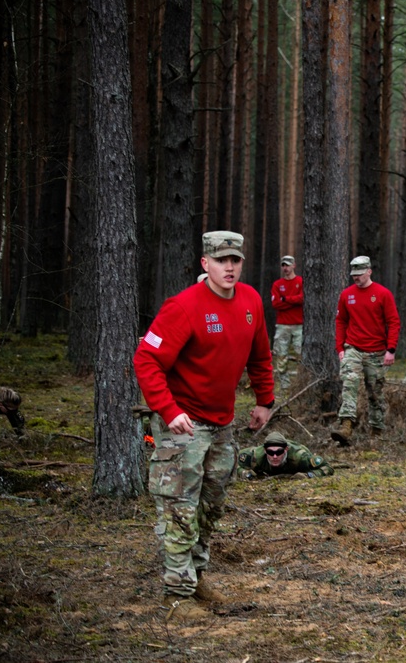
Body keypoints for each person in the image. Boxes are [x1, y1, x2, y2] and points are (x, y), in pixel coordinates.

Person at [134, 230, 275, 623]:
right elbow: (146, 360)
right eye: (221, 260)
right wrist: (167, 409)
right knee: (180, 507)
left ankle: (196, 577)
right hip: (183, 426)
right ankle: (177, 596)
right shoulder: (183, 307)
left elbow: (260, 356)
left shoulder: (250, 302)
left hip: (222, 424)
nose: (229, 267)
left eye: (236, 260)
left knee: (211, 506)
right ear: (205, 264)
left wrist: (265, 400)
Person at [332, 255, 401, 446]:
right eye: (354, 274)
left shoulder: (382, 294)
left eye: (360, 274)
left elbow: (393, 322)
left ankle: (377, 430)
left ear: (369, 271)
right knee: (349, 383)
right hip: (352, 348)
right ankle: (346, 424)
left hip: (377, 351)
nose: (356, 277)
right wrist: (340, 347)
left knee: (375, 392)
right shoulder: (347, 295)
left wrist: (391, 349)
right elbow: (341, 321)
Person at [271, 255, 304, 392]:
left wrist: (286, 299)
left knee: (301, 354)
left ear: (294, 266)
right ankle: (285, 386)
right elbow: (276, 303)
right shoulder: (277, 284)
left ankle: (301, 384)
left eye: (288, 265)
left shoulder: (301, 281)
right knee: (281, 355)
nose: (286, 268)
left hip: (299, 325)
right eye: (283, 265)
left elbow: (302, 299)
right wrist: (292, 302)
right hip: (282, 325)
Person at [238, 431, 333, 479]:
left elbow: (327, 467)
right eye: (270, 452)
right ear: (265, 450)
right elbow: (231, 463)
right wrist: (244, 473)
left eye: (279, 452)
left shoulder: (300, 457)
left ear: (285, 450)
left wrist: (308, 475)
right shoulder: (255, 456)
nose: (275, 456)